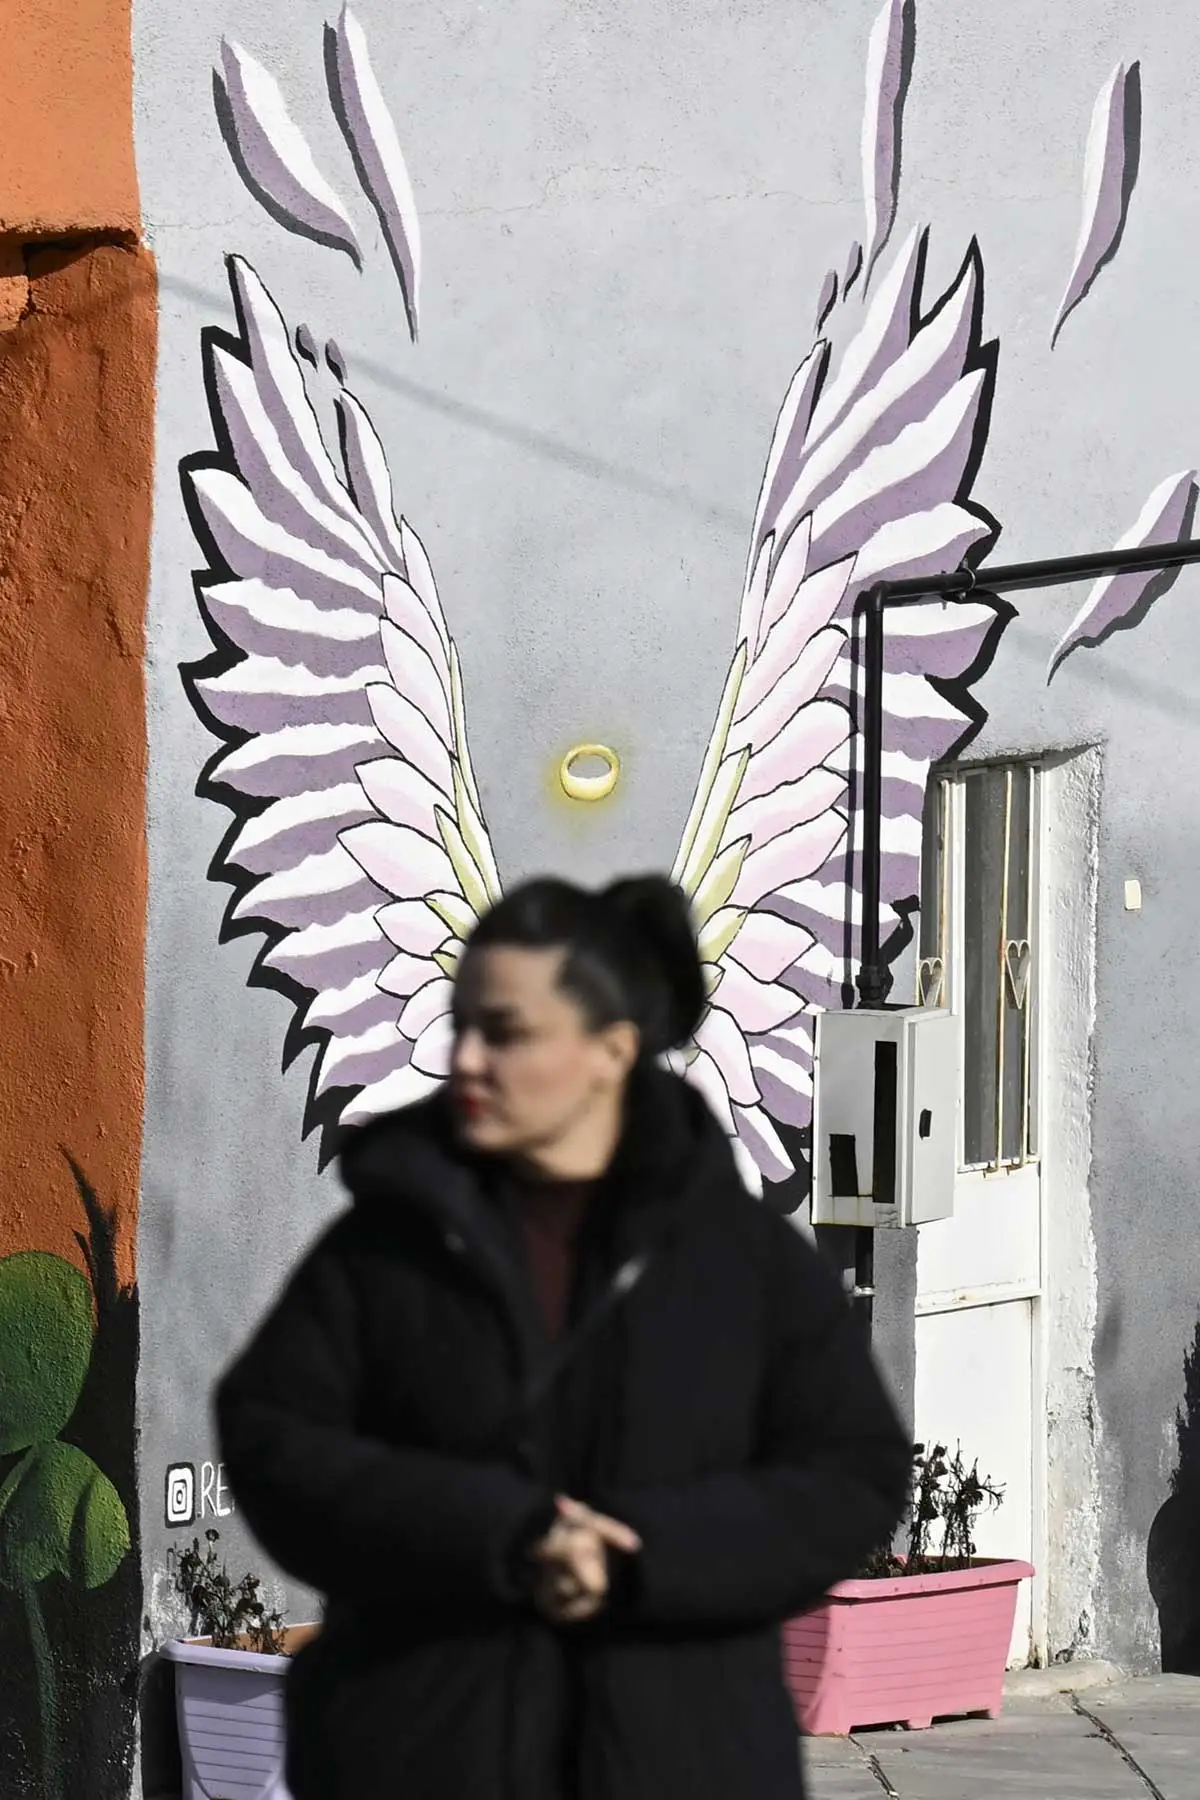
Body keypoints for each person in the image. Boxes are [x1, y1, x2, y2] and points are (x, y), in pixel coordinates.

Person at [216, 875, 911, 1800]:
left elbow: (851, 1473)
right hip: (422, 1758)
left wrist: (643, 1557)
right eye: (461, 1027)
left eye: (505, 1033)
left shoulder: (743, 1262)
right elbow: (276, 1438)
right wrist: (501, 1535)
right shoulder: (388, 1246)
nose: (468, 1060)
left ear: (611, 1050)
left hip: (684, 1766)